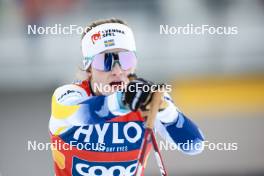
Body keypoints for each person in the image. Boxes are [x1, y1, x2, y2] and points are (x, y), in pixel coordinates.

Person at [49, 18, 205, 176]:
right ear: (88, 68)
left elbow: (194, 146)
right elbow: (82, 113)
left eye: (126, 59)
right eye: (105, 61)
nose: (117, 71)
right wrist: (123, 100)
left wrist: (167, 113)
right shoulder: (68, 95)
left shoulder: (148, 97)